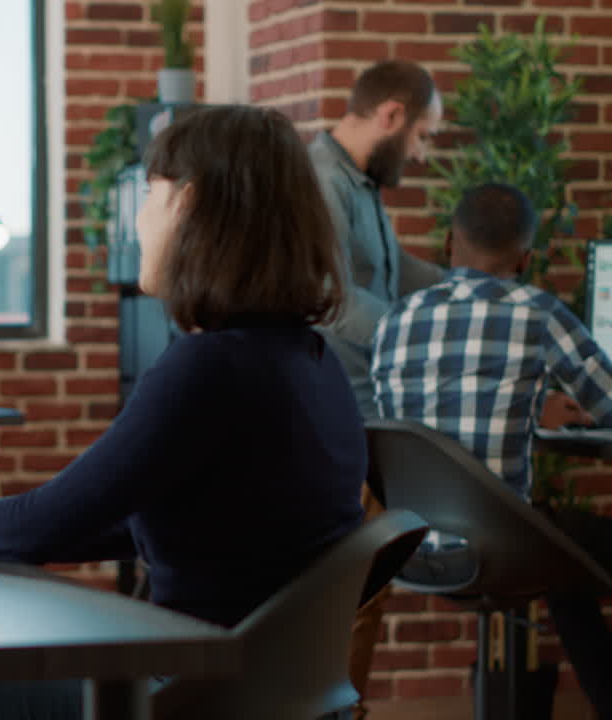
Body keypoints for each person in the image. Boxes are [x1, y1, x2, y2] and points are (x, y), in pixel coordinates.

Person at [0, 104, 368, 719]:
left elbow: (40, 526)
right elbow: (142, 523)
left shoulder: (209, 369)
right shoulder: (313, 364)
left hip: (186, 697)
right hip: (262, 696)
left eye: (149, 192)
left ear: (188, 203)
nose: (137, 217)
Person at [372, 183, 612, 716]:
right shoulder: (539, 314)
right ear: (526, 259)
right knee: (573, 547)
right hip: (500, 553)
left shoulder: (396, 319)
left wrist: (526, 403)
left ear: (449, 243)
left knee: (566, 564)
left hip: (407, 549)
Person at [308, 60, 446, 711]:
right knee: (356, 595)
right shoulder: (320, 183)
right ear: (391, 115)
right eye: (422, 135)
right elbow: (332, 300)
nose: (420, 153)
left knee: (363, 594)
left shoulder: (358, 186)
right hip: (339, 419)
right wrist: (427, 337)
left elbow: (393, 276)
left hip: (368, 413)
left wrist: (469, 286)